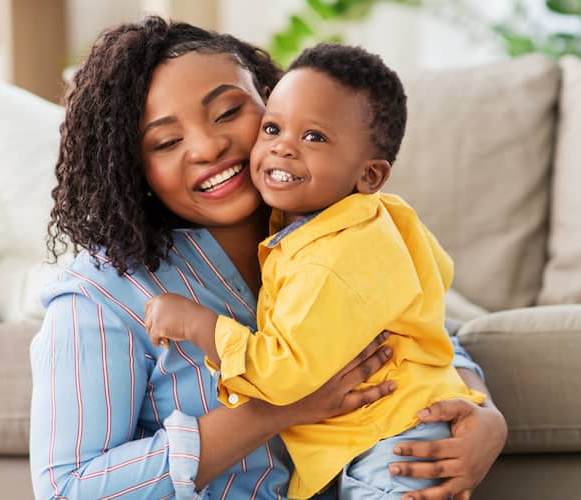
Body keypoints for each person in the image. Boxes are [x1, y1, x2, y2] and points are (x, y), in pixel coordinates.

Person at [31, 17, 507, 500]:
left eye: (227, 112)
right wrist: (276, 410)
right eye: (167, 142)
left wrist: (483, 413)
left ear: (269, 97)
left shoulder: (338, 227)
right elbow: (68, 488)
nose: (208, 146)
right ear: (133, 165)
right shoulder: (99, 295)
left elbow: (415, 327)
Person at [143, 43, 488, 499]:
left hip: (396, 443)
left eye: (315, 137)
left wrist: (196, 323)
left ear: (369, 175)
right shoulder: (378, 215)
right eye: (273, 128)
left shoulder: (329, 259)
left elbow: (283, 376)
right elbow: (434, 280)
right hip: (403, 425)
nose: (283, 147)